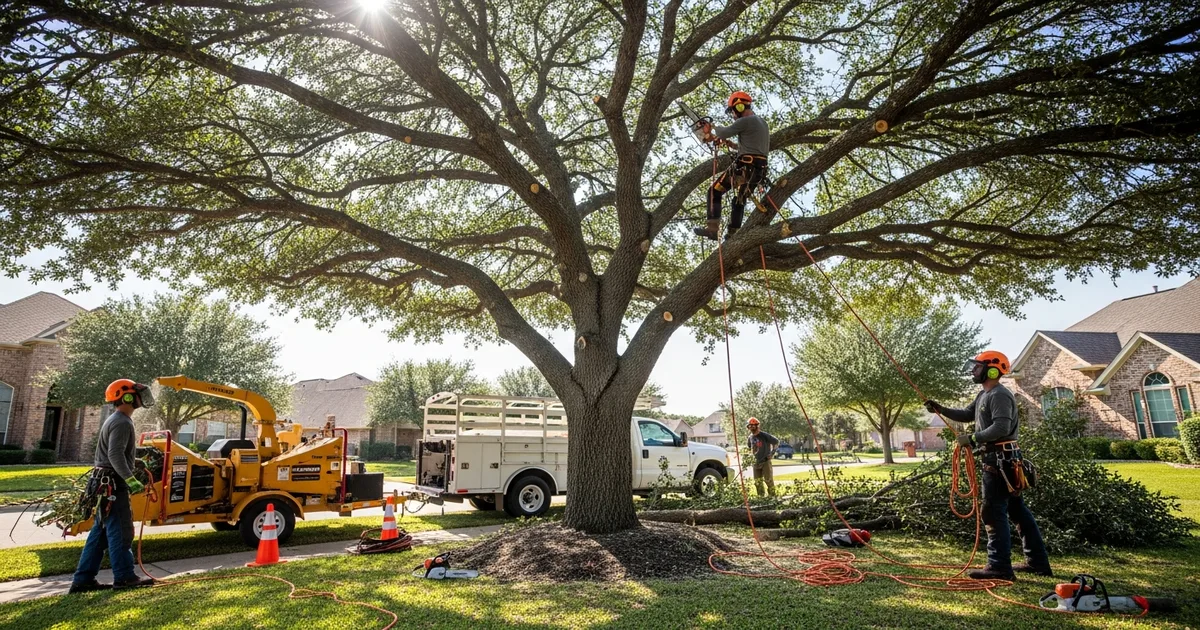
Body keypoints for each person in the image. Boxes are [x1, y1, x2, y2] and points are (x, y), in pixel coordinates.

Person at [924, 351, 1052, 581]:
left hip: (1000, 461)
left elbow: (1001, 428)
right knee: (1017, 511)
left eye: (977, 367)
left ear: (992, 370)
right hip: (1001, 460)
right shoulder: (985, 394)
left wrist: (972, 439)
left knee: (993, 512)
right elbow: (966, 414)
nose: (973, 371)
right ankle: (1037, 562)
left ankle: (999, 566)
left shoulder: (1000, 395)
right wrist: (940, 409)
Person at [69, 379, 157, 593]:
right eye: (136, 394)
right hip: (112, 485)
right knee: (121, 531)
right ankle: (125, 576)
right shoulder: (122, 422)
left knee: (99, 534)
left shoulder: (116, 419)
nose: (139, 398)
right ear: (126, 396)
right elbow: (114, 454)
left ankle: (83, 580)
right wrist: (130, 478)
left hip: (102, 483)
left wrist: (135, 461)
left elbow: (115, 452)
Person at [694, 91, 771, 241]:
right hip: (758, 171)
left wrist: (711, 127)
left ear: (740, 106)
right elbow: (752, 147)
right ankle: (732, 235)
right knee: (739, 200)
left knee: (714, 191)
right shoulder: (762, 123)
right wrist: (731, 144)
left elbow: (724, 131)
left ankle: (712, 229)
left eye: (733, 111)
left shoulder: (746, 121)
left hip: (744, 167)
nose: (734, 115)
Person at [745, 417, 779, 497]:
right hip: (755, 462)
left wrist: (772, 453)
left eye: (753, 425)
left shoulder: (764, 435)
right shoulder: (750, 438)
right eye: (750, 426)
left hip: (765, 461)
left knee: (768, 480)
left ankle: (772, 496)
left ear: (757, 426)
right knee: (757, 482)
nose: (752, 427)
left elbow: (776, 442)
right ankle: (761, 498)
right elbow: (750, 448)